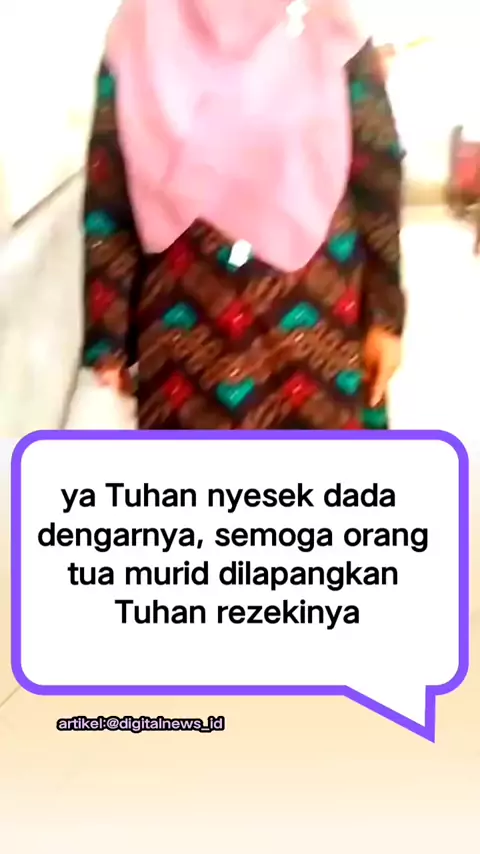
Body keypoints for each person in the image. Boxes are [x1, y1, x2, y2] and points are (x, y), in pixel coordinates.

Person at [81, 0, 405, 430]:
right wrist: (108, 339)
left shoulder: (324, 20)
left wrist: (385, 318)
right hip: (186, 334)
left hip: (319, 332)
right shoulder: (140, 29)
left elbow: (376, 173)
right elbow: (109, 191)